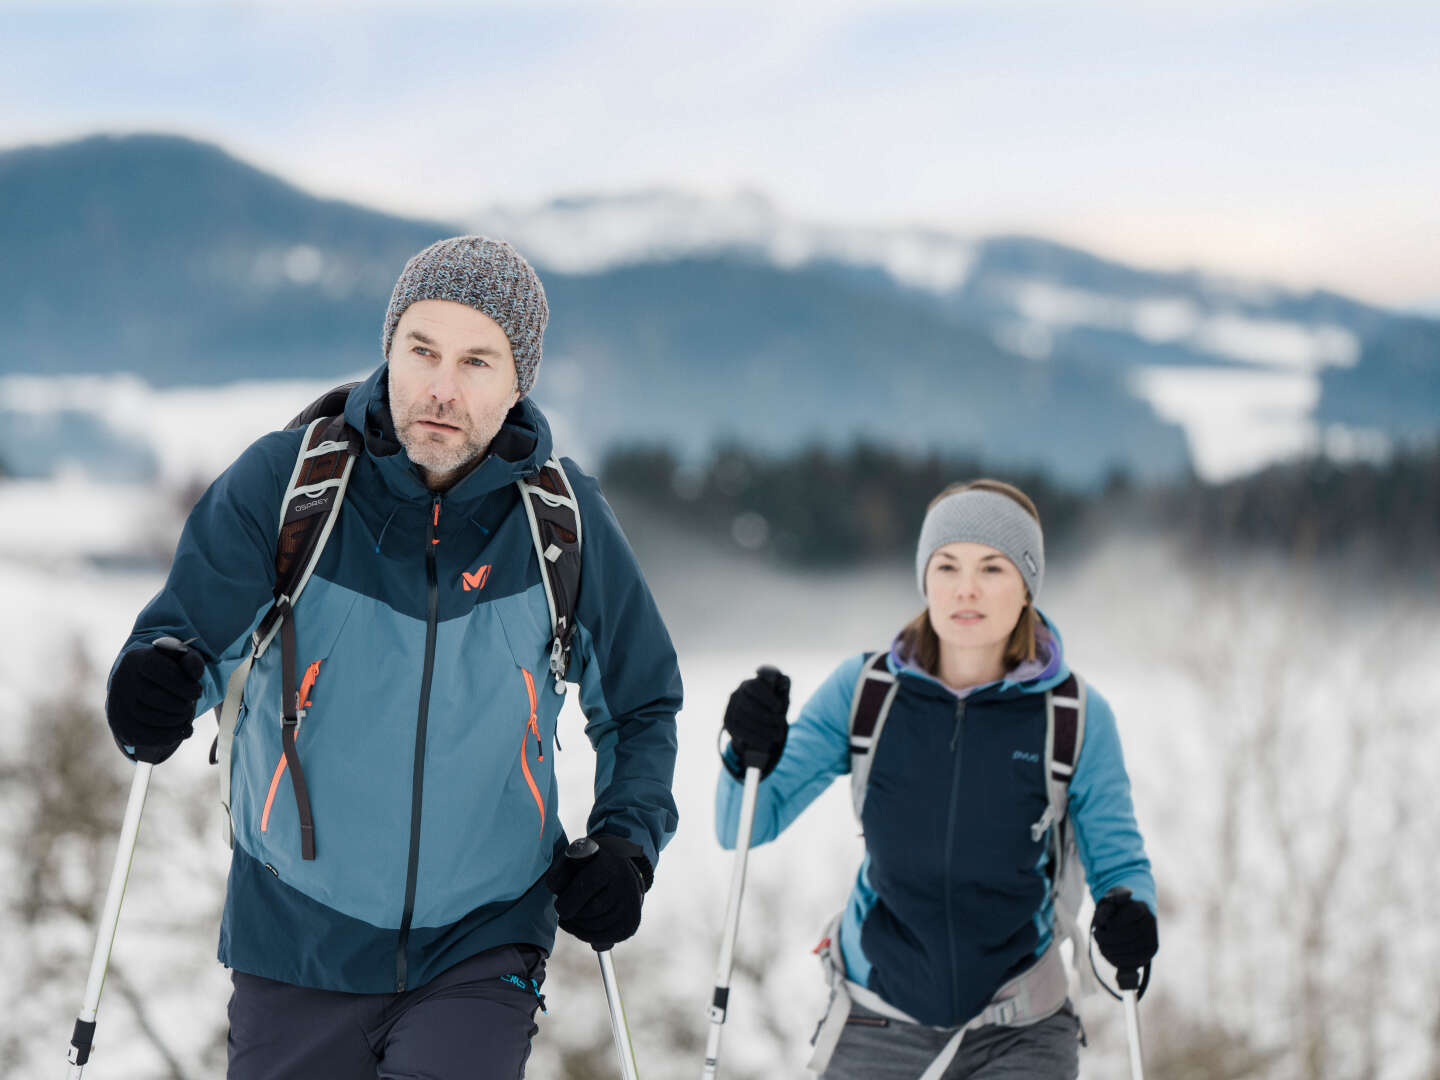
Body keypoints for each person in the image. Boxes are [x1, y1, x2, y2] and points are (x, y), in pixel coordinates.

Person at [104, 236, 682, 1079]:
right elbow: (177, 641)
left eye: (478, 362)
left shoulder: (561, 523)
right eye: (423, 351)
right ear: (389, 350)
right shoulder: (290, 486)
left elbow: (640, 705)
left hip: (484, 936)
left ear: (521, 379)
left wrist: (628, 846)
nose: (442, 389)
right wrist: (146, 691)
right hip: (295, 929)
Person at [715, 479, 1157, 1079]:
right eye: (946, 565)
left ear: (1027, 585)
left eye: (993, 568)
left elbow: (1119, 868)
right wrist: (746, 750)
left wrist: (1132, 923)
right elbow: (743, 822)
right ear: (924, 576)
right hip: (877, 1014)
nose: (965, 589)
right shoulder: (866, 692)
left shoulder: (1073, 715)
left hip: (1021, 1025)